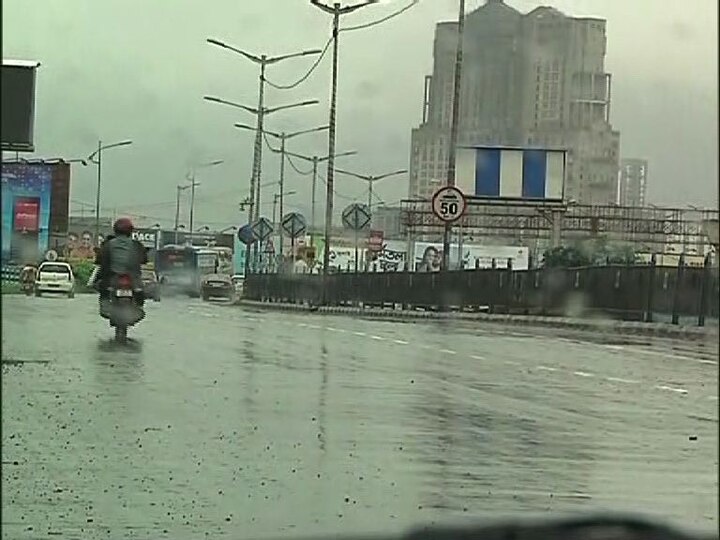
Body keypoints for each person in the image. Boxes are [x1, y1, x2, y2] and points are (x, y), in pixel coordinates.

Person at [94, 218, 147, 314]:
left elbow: (100, 260)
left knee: (102, 288)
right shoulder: (137, 245)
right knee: (140, 291)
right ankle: (139, 307)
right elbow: (144, 259)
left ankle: (106, 305)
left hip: (112, 278)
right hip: (132, 279)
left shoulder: (108, 244)